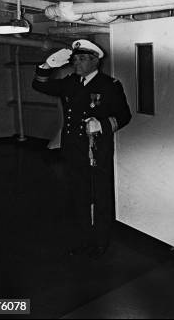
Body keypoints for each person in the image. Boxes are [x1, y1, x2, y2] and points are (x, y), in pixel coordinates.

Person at [32, 39, 132, 259]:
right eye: (74, 59)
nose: (75, 63)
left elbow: (125, 116)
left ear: (94, 61)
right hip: (72, 149)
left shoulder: (110, 85)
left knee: (101, 195)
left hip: (96, 149)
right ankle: (83, 240)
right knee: (78, 196)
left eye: (81, 59)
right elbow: (39, 85)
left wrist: (103, 125)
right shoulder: (70, 82)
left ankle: (100, 241)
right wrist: (46, 67)